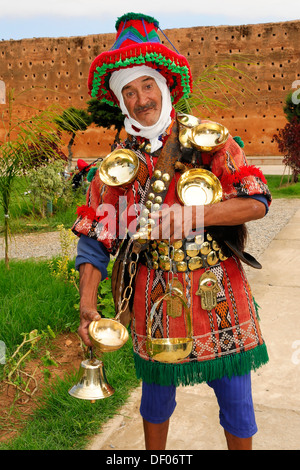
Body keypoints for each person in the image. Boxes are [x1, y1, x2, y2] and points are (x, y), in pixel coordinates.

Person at [72, 12, 272, 450]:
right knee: (155, 402)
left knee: (237, 400)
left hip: (218, 287)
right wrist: (88, 305)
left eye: (146, 86)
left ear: (163, 85)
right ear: (121, 101)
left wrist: (194, 217)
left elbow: (257, 200)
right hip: (154, 292)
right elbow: (95, 239)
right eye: (129, 91)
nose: (141, 98)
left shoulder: (210, 140)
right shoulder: (115, 166)